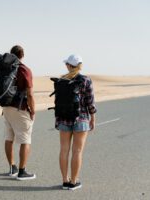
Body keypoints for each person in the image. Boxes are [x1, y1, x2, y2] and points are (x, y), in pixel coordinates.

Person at [56, 54, 97, 190]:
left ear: (68, 65)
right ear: (80, 66)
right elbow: (90, 102)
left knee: (64, 150)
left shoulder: (61, 80)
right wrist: (93, 118)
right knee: (77, 151)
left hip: (63, 118)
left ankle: (64, 180)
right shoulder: (85, 80)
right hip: (81, 118)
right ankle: (73, 182)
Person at [3, 45, 36, 180]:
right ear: (22, 54)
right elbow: (30, 94)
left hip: (6, 107)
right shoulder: (24, 69)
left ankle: (12, 167)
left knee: (9, 138)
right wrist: (32, 110)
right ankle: (22, 172)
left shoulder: (5, 69)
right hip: (20, 108)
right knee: (25, 140)